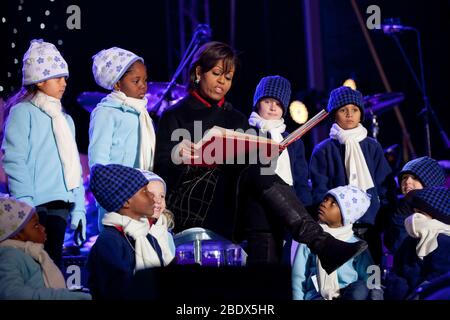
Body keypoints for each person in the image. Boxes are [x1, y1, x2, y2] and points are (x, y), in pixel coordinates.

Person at [155, 41, 367, 274]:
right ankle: (321, 243)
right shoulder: (174, 115)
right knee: (256, 173)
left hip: (229, 202)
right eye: (216, 74)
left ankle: (314, 246)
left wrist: (267, 152)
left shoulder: (236, 118)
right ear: (198, 72)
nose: (222, 83)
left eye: (228, 78)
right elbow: (161, 171)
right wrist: (181, 155)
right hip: (193, 201)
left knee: (259, 168)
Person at [1, 39, 87, 268]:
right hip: (34, 204)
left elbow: (73, 166)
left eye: (65, 77)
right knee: (33, 265)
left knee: (52, 264)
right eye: (58, 77)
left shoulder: (65, 120)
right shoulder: (22, 112)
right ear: (39, 82)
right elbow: (14, 159)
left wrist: (78, 207)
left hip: (60, 203)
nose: (64, 83)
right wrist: (25, 203)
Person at [309, 86, 393, 263]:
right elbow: (319, 189)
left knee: (372, 271)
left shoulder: (372, 146)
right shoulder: (323, 150)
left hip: (371, 223)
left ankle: (375, 287)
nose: (349, 114)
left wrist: (383, 213)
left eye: (354, 110)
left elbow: (384, 185)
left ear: (361, 115)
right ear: (334, 115)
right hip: (338, 226)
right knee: (347, 276)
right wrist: (331, 218)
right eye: (343, 110)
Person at [240, 75, 312, 264]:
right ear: (257, 103)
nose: (272, 107)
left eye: (278, 104)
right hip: (260, 218)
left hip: (290, 220)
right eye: (267, 101)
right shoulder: (247, 133)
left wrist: (305, 209)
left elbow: (300, 179)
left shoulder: (293, 139)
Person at [89, 47, 156, 231]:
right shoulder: (106, 112)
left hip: (140, 195)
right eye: (136, 81)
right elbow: (98, 161)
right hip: (117, 197)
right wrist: (111, 195)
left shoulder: (141, 112)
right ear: (117, 84)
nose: (143, 85)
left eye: (145, 80)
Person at [87, 164, 175, 299]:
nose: (154, 199)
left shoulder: (147, 236)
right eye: (145, 192)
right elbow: (118, 290)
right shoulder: (110, 242)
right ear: (126, 202)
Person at [292, 185, 381, 300]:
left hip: (347, 295)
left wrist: (376, 294)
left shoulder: (356, 245)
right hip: (318, 296)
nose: (324, 203)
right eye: (325, 199)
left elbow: (372, 275)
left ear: (346, 215)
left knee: (360, 290)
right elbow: (298, 276)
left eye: (333, 203)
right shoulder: (310, 238)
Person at [0, 196, 91, 299]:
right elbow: (11, 294)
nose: (43, 228)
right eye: (36, 225)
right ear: (16, 234)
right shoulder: (9, 256)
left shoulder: (33, 254)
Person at [385, 186, 450, 300]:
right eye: (414, 212)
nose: (415, 217)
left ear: (437, 217)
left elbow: (437, 278)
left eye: (421, 213)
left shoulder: (444, 242)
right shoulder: (410, 240)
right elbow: (398, 271)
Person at [384, 156, 446, 253]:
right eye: (404, 177)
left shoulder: (443, 210)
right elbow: (395, 245)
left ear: (431, 182)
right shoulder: (399, 209)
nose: (407, 182)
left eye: (415, 178)